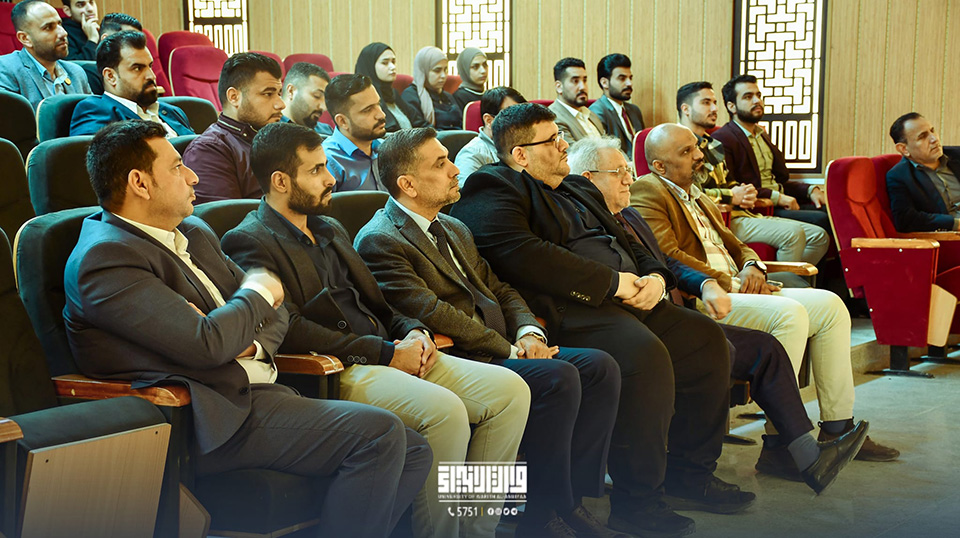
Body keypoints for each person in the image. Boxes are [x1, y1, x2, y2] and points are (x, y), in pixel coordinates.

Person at [64, 120, 431, 538]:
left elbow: (278, 314)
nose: (193, 177)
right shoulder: (106, 259)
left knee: (415, 450)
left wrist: (243, 338)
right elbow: (212, 341)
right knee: (380, 435)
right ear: (140, 183)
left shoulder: (193, 232)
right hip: (204, 418)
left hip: (256, 392)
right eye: (178, 167)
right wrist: (252, 297)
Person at [450, 103, 749, 538]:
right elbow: (525, 255)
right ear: (520, 155)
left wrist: (655, 278)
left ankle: (690, 473)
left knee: (705, 339)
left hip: (631, 298)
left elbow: (629, 238)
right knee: (644, 356)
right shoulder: (493, 186)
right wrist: (613, 284)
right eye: (552, 140)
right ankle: (637, 502)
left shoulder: (577, 186)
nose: (564, 144)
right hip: (573, 309)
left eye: (561, 135)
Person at [220, 122, 530, 538]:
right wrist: (385, 353)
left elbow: (379, 302)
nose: (330, 178)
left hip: (389, 350)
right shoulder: (249, 239)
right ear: (280, 181)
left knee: (511, 392)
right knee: (445, 412)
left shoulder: (328, 227)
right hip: (336, 367)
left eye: (326, 166)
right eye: (316, 170)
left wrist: (414, 331)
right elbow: (289, 329)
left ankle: (478, 529)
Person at [355, 126, 624, 537]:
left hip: (499, 346)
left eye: (449, 159)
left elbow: (499, 289)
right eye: (440, 164)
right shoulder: (381, 239)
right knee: (558, 378)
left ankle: (568, 502)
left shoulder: (453, 227)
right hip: (459, 356)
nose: (454, 170)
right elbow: (433, 313)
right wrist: (511, 351)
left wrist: (529, 333)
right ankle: (538, 516)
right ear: (407, 184)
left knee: (599, 368)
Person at [567, 136, 871, 491]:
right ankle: (692, 477)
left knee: (770, 346)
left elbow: (665, 262)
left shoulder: (632, 212)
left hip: (678, 308)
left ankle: (808, 450)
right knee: (732, 341)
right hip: (638, 322)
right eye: (618, 172)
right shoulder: (583, 216)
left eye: (628, 170)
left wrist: (723, 276)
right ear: (588, 178)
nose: (628, 179)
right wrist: (716, 284)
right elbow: (647, 263)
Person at [630, 123, 900, 464]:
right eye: (686, 152)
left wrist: (752, 266)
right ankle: (781, 442)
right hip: (706, 297)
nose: (699, 155)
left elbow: (736, 243)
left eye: (696, 146)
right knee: (789, 314)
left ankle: (837, 427)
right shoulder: (649, 189)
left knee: (832, 306)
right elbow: (668, 255)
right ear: (659, 165)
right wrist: (733, 283)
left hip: (739, 286)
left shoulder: (695, 192)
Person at [676, 81, 828, 264]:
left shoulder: (713, 143)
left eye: (715, 102)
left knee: (818, 236)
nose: (715, 108)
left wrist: (745, 192)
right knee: (794, 234)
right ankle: (783, 280)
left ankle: (789, 278)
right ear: (686, 109)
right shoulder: (677, 144)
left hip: (740, 213)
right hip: (713, 220)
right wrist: (732, 196)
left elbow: (729, 181)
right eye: (706, 103)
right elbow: (687, 193)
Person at [711, 74, 830, 232]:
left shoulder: (762, 135)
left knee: (832, 211)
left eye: (758, 95)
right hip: (759, 208)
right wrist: (778, 198)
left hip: (780, 201)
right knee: (822, 219)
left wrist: (810, 190)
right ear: (732, 106)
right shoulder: (723, 138)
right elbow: (734, 186)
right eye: (748, 97)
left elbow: (780, 180)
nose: (757, 101)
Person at [182, 52, 285, 204]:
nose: (281, 104)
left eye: (279, 94)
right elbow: (226, 216)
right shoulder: (209, 150)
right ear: (234, 97)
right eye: (268, 94)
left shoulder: (281, 139)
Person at [69, 30, 194, 137]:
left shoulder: (172, 111)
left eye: (150, 66)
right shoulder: (95, 111)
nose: (151, 76)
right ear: (111, 76)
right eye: (137, 68)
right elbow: (96, 157)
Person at [0, 0, 91, 110]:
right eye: (48, 27)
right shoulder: (5, 70)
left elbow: (92, 116)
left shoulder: (76, 73)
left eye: (59, 24)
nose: (63, 33)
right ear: (25, 38)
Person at [885, 112, 960, 232]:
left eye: (932, 130)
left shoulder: (957, 155)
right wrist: (955, 223)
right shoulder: (899, 176)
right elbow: (906, 219)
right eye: (922, 136)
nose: (934, 139)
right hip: (951, 235)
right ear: (904, 149)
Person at [322, 73, 388, 192]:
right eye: (368, 110)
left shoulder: (388, 149)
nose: (381, 115)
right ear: (343, 121)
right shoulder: (328, 162)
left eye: (378, 104)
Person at [453, 85, 525, 183]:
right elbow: (467, 192)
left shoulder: (524, 146)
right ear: (489, 121)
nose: (520, 124)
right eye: (512, 116)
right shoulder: (472, 155)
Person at [354, 42, 427, 133]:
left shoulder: (393, 93)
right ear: (370, 67)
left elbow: (419, 123)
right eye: (385, 63)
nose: (392, 67)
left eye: (393, 62)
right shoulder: (363, 99)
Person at [589, 54, 644, 158]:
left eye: (630, 78)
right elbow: (604, 153)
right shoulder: (596, 112)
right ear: (604, 83)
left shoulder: (634, 110)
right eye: (622, 78)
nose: (629, 83)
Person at [401, 46, 462, 131]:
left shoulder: (447, 96)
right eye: (437, 70)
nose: (443, 75)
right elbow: (420, 129)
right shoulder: (411, 95)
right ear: (424, 71)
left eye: (445, 70)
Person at [79, 12, 142, 94]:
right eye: (129, 40)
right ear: (106, 40)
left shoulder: (141, 68)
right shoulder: (90, 73)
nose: (137, 47)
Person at [548, 57, 604, 142]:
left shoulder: (591, 115)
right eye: (575, 81)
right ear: (559, 87)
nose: (583, 87)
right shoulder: (553, 119)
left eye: (584, 80)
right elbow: (572, 150)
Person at [280, 61, 333, 138]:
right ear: (291, 91)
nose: (324, 107)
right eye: (317, 96)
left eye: (325, 99)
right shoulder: (270, 131)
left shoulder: (326, 131)